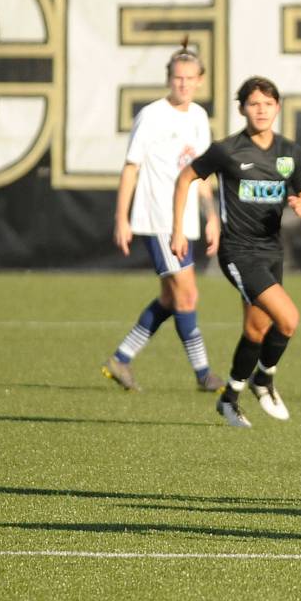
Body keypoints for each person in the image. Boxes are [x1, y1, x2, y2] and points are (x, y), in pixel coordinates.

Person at [171, 76, 301, 428]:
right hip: (238, 252)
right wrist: (178, 229)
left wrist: (300, 200)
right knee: (288, 319)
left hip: (271, 252)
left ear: (278, 107)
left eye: (268, 103)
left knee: (255, 331)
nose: (261, 110)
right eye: (253, 104)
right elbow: (185, 177)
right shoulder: (227, 150)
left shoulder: (290, 153)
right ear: (242, 108)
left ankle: (230, 397)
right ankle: (264, 379)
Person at [102, 38, 224, 393]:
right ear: (168, 78)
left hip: (186, 221)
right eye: (177, 78)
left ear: (200, 80)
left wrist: (211, 215)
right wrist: (121, 218)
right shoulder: (152, 115)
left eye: (189, 78)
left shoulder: (199, 117)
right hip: (157, 220)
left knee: (172, 300)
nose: (183, 84)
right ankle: (204, 374)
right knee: (187, 297)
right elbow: (130, 168)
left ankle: (121, 359)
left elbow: (200, 174)